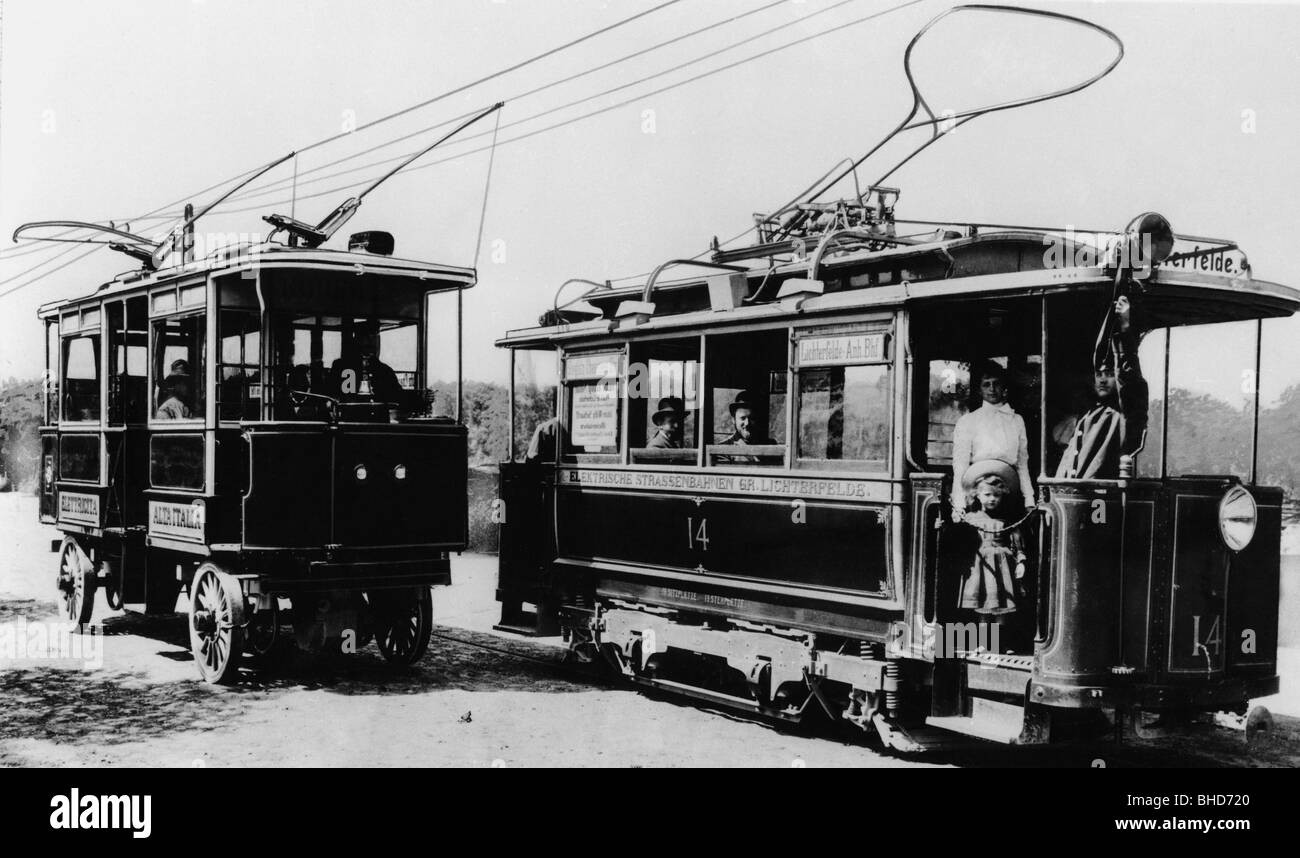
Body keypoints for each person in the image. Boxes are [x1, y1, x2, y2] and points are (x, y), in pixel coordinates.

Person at [1055, 295, 1149, 479]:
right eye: (1099, 374)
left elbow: (1128, 378)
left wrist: (1125, 330)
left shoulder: (1123, 413)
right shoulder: (1090, 413)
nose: (1103, 380)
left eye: (1109, 374)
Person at [950, 360, 1034, 520]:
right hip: (978, 493)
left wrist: (1029, 499)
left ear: (1004, 387)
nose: (992, 389)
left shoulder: (1016, 421)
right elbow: (960, 465)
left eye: (996, 384)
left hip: (1009, 492)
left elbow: (1022, 464)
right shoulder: (968, 421)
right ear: (979, 390)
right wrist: (959, 503)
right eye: (986, 384)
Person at [956, 460, 1027, 617]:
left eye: (997, 495)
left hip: (1003, 567)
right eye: (987, 495)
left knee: (1002, 606)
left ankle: (999, 640)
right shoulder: (971, 518)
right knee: (984, 608)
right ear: (977, 495)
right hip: (981, 566)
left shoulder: (1007, 521)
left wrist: (1021, 561)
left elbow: (1017, 544)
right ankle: (984, 642)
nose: (992, 499)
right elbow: (963, 542)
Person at [330, 322, 405, 405]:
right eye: (366, 337)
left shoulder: (385, 371)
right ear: (357, 339)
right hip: (350, 415)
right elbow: (332, 395)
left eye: (374, 337)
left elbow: (398, 397)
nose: (370, 341)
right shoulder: (340, 366)